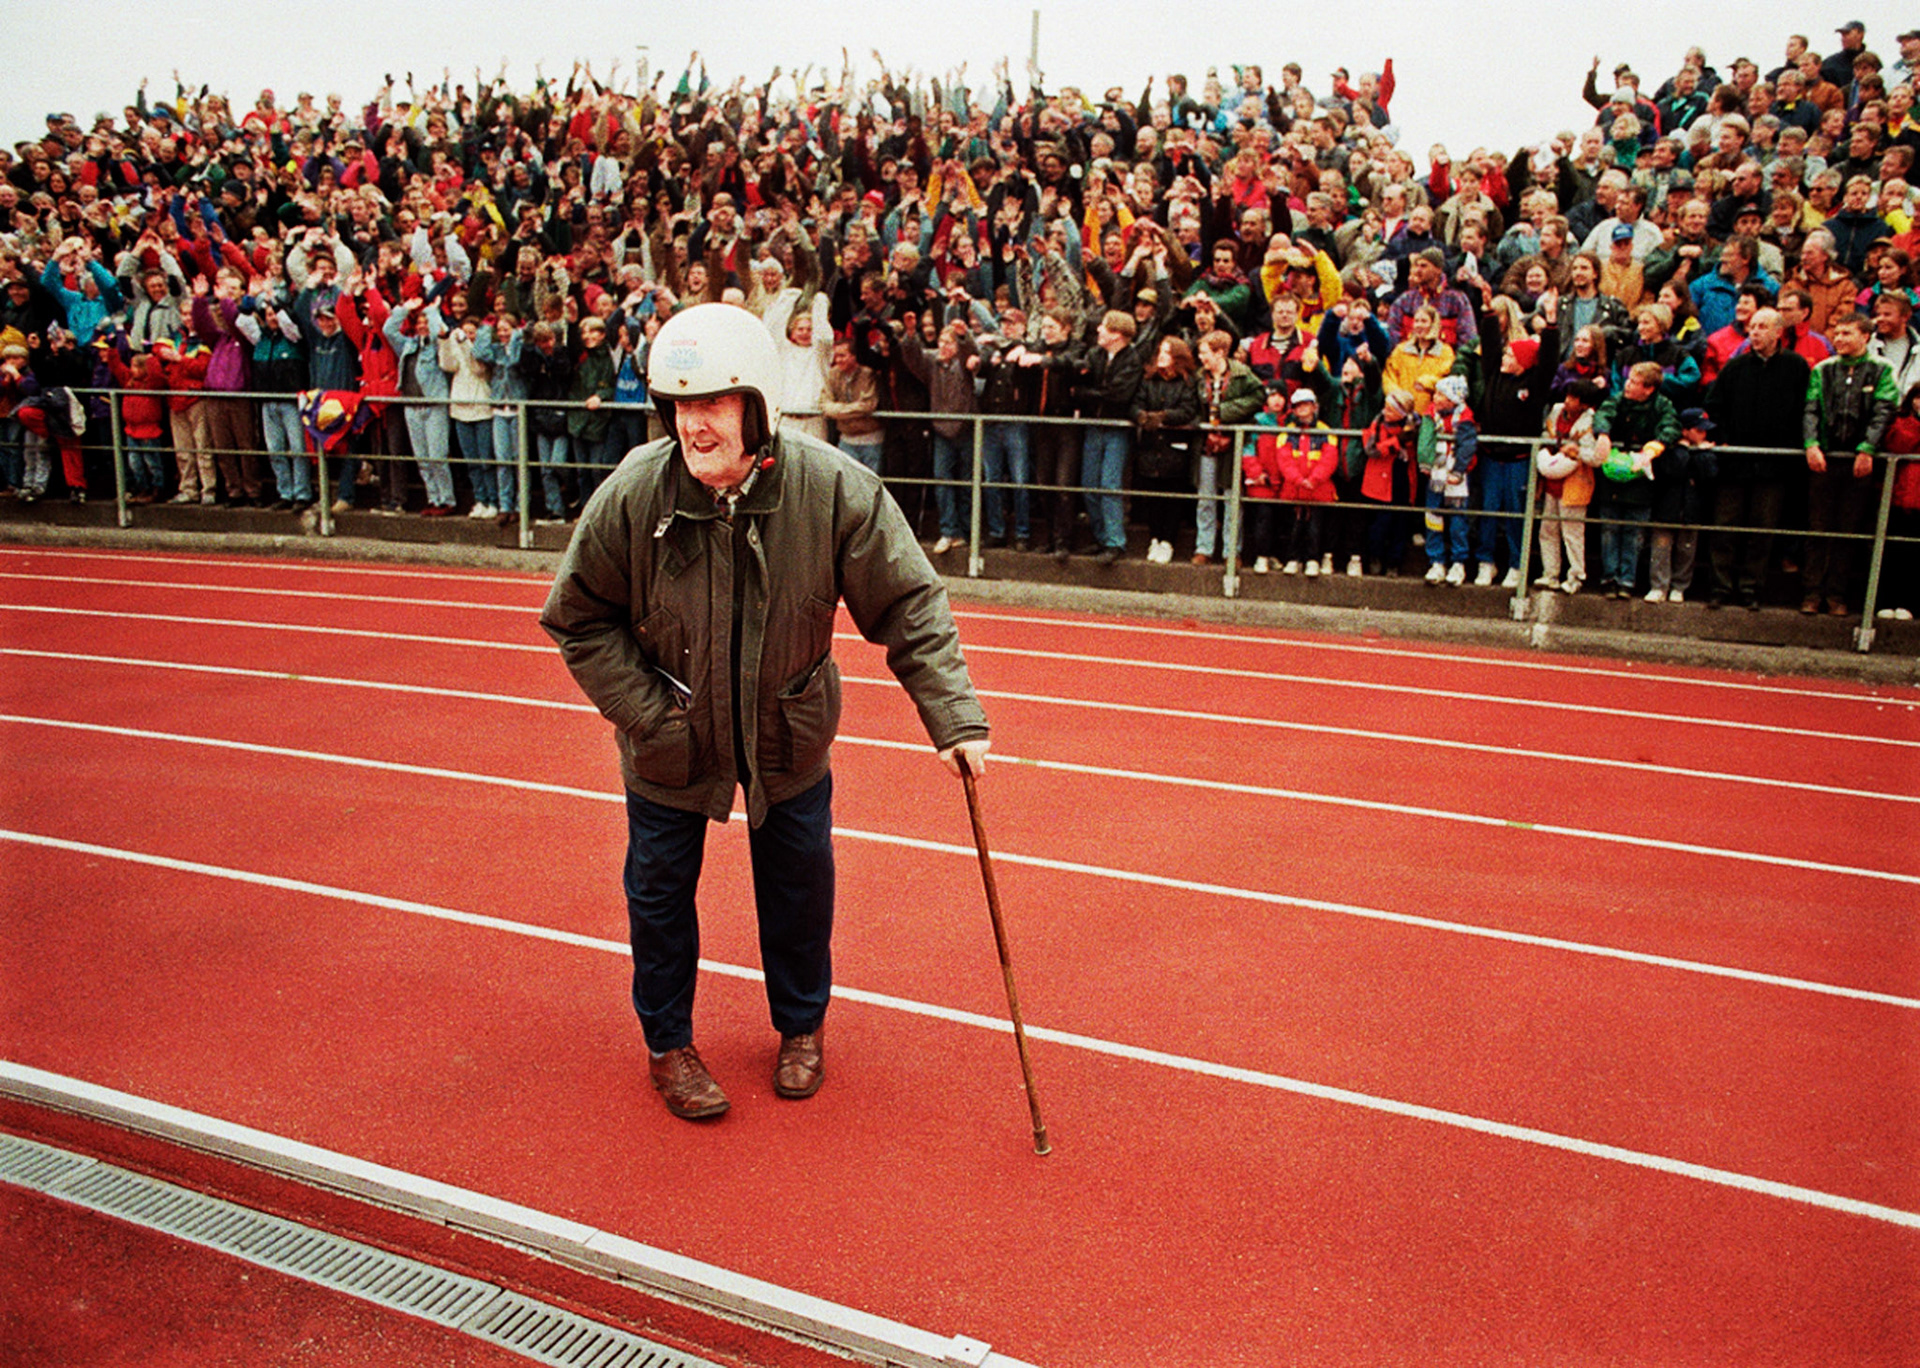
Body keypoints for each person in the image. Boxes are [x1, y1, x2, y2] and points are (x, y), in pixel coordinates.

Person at [539, 303, 991, 1122]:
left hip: (789, 731)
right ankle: (668, 1045)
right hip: (669, 742)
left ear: (757, 405)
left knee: (799, 890)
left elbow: (909, 604)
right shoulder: (636, 491)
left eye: (713, 402)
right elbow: (578, 617)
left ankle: (801, 1027)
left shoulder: (832, 487)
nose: (694, 424)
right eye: (679, 404)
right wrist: (650, 715)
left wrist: (953, 718)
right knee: (659, 896)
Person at [1703, 305, 1809, 608]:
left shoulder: (1796, 367)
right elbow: (1714, 405)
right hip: (1736, 461)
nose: (1755, 332)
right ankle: (1720, 587)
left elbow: (1805, 410)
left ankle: (1751, 588)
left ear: (1778, 332)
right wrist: (1723, 438)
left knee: (1762, 529)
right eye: (1752, 327)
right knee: (1725, 526)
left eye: (1762, 327)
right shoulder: (1735, 367)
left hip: (1774, 464)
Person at [1801, 313, 1900, 615]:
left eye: (1847, 333)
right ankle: (1811, 592)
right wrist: (1811, 443)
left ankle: (1837, 595)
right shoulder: (1823, 369)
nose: (1839, 338)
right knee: (1818, 527)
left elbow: (1884, 410)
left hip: (1860, 460)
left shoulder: (1882, 369)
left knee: (1849, 529)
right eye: (1837, 332)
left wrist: (1868, 448)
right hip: (1826, 458)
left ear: (1865, 336)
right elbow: (1811, 409)